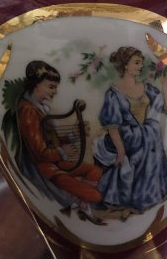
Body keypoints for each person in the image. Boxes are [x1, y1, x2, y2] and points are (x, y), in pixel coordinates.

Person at [94, 46, 167, 211]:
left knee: (150, 138)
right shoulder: (113, 93)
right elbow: (113, 126)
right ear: (125, 65)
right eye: (136, 63)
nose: (140, 66)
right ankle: (132, 197)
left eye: (141, 63)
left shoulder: (147, 88)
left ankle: (147, 194)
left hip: (145, 134)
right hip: (123, 137)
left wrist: (165, 86)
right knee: (145, 142)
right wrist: (120, 150)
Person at [16, 60, 103, 206]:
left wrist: (72, 136)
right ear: (35, 84)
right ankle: (80, 201)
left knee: (95, 171)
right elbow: (40, 153)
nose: (54, 92)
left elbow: (50, 141)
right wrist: (62, 151)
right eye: (51, 87)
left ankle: (80, 199)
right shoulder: (28, 111)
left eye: (55, 87)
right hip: (46, 170)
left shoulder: (39, 109)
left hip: (56, 164)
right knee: (95, 196)